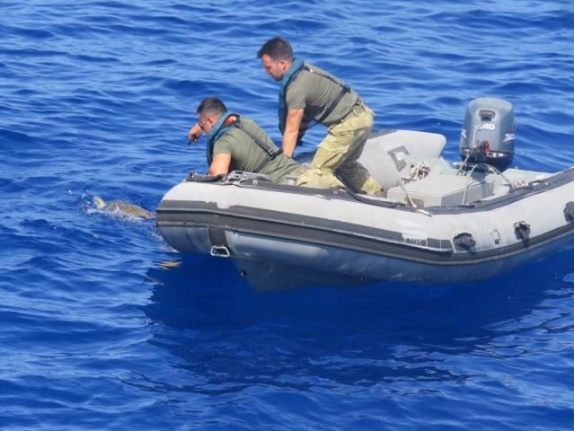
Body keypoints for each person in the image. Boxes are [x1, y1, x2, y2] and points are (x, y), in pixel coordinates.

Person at [256, 36, 383, 195]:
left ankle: (345, 202)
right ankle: (378, 195)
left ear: (282, 64)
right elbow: (303, 123)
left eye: (268, 67)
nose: (266, 72)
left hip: (349, 124)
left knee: (317, 172)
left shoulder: (296, 88)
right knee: (346, 165)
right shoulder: (304, 70)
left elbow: (291, 130)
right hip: (364, 116)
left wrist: (284, 166)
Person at [188, 97, 306, 184]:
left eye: (203, 125)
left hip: (286, 184)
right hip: (299, 171)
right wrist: (201, 125)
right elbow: (218, 121)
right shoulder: (245, 122)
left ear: (209, 121)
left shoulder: (223, 141)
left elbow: (218, 176)